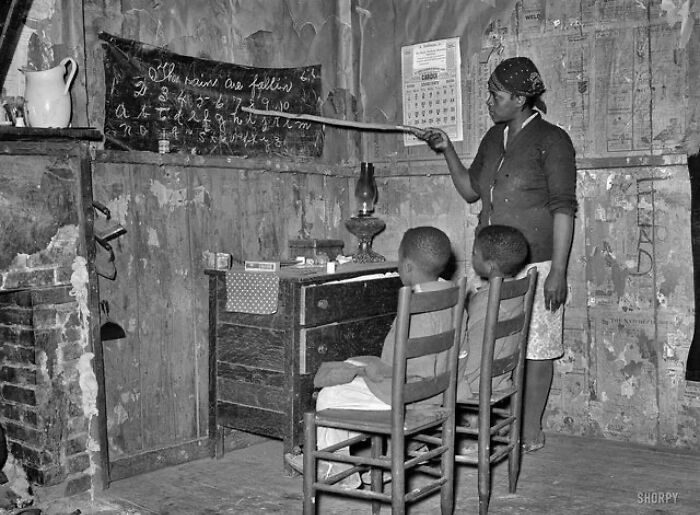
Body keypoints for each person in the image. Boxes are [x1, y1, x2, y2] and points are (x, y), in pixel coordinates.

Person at [414, 56, 577, 453]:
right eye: (490, 93)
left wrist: (558, 270)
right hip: (488, 266)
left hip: (535, 266)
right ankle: (483, 425)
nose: (489, 101)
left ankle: (530, 429)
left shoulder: (553, 141)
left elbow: (563, 208)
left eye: (496, 94)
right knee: (482, 347)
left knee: (536, 349)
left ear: (521, 99)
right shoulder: (493, 137)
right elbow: (471, 190)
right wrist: (447, 149)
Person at [284, 225, 456, 488]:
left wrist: (368, 370)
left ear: (407, 266)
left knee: (331, 395)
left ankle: (334, 468)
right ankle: (355, 461)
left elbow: (398, 369)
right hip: (438, 391)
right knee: (354, 376)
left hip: (408, 396)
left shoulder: (413, 303)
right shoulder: (452, 295)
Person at [459, 224, 530, 401]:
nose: (472, 256)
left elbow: (471, 356)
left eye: (474, 253)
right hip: (500, 379)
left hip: (474, 383)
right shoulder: (515, 292)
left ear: (490, 266)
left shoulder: (487, 301)